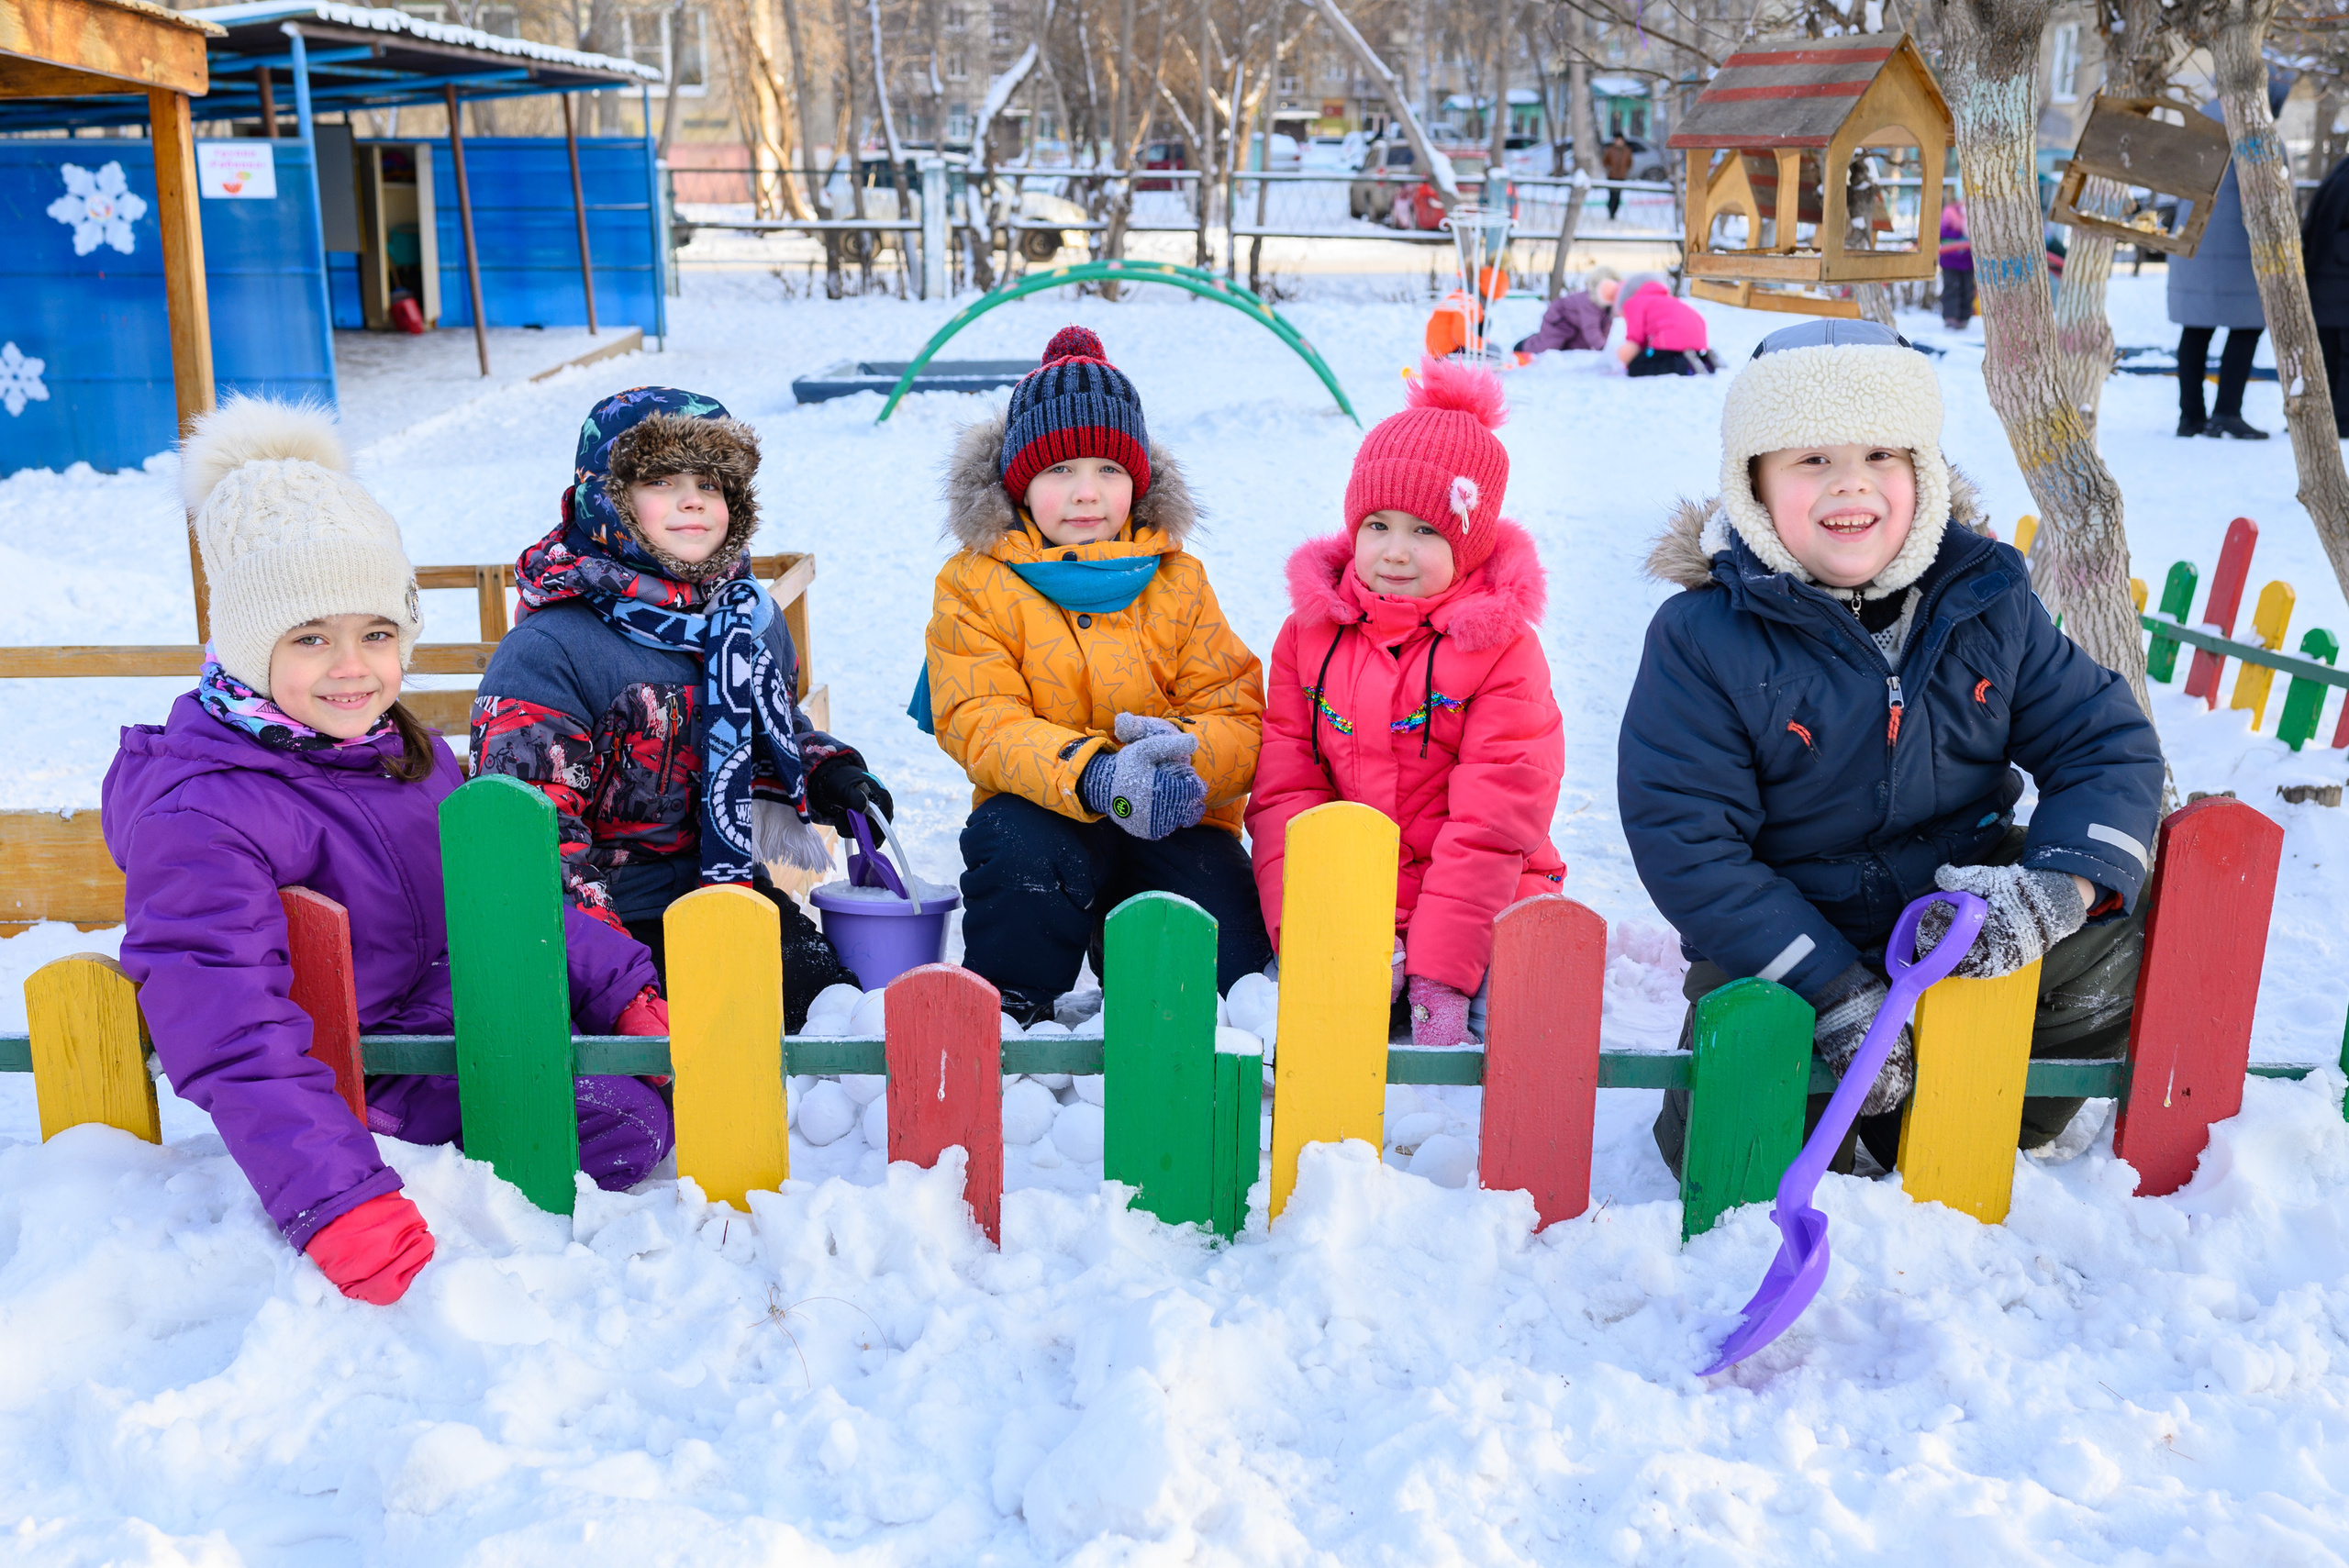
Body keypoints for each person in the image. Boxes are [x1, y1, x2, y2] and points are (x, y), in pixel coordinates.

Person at [105, 398, 673, 1307]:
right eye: (309, 637)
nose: (352, 666)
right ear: (248, 648)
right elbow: (229, 1023)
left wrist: (619, 986)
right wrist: (333, 1200)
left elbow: (493, 904)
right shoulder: (204, 811)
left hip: (451, 1019)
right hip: (361, 1078)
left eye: (376, 633)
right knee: (625, 1118)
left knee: (647, 1084)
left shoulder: (402, 753)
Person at [1620, 320, 2165, 1177]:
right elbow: (1686, 838)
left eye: (1882, 454)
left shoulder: (1986, 597)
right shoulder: (1703, 637)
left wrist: (2058, 890)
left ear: (1923, 471)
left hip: (1958, 921)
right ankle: (1813, 1108)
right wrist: (1830, 985)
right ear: (1754, 484)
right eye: (1810, 460)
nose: (1852, 486)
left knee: (2130, 937)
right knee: (1734, 1148)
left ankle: (1973, 1113)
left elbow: (2103, 741)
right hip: (1788, 933)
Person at [471, 387, 880, 1033]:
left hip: (728, 888)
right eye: (661, 479)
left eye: (711, 483)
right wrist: (617, 978)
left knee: (829, 1016)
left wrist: (825, 769)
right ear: (607, 498)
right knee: (702, 1061)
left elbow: (774, 730)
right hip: (604, 925)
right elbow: (536, 842)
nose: (693, 499)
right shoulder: (551, 651)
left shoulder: (748, 618)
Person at [926, 327, 1272, 1025]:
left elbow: (1236, 708)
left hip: (1171, 818)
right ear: (1021, 482)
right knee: (1015, 852)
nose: (1087, 493)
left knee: (1230, 959)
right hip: (1047, 809)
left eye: (1109, 470)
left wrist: (1183, 760)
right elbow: (979, 717)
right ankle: (1014, 1014)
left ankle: (1173, 1010)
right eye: (1059, 471)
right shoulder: (976, 583)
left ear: (1138, 479)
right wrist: (1096, 775)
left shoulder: (1178, 579)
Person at [1247, 358, 1565, 1047]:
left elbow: (1493, 819)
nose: (1394, 552)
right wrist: (1322, 928)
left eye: (1426, 532)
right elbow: (1284, 795)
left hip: (1484, 896)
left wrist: (1440, 968)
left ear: (1470, 545)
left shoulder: (1503, 652)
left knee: (1508, 1032)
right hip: (1349, 891)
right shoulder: (1309, 637)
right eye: (1377, 525)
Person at [2170, 81, 2290, 439]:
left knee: (2195, 329)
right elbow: (2274, 196)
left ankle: (2190, 417)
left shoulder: (2194, 124)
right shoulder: (2255, 130)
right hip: (2240, 250)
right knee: (2247, 326)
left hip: (2191, 242)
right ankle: (2227, 412)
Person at [2303, 150, 2349, 437]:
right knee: (2338, 355)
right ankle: (2340, 419)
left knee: (2329, 355)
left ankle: (2327, 417)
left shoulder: (2340, 171)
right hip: (2339, 281)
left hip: (2326, 278)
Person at [1616, 272, 1716, 376]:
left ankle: (1685, 365)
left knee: (1637, 368)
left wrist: (1630, 361)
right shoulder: (1667, 298)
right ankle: (1706, 360)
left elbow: (1636, 338)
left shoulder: (1633, 303)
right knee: (1673, 355)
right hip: (1697, 340)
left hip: (1671, 340)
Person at [1513, 266, 1620, 354]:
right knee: (1547, 347)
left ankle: (1542, 338)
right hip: (1559, 319)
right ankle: (1525, 345)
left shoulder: (1606, 306)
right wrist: (1603, 348)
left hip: (1576, 326)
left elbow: (1605, 326)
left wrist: (1604, 346)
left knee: (1576, 349)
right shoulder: (1589, 301)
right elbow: (1591, 329)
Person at [1938, 198, 1974, 328]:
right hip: (1950, 260)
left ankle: (1964, 318)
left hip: (1968, 260)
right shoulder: (1949, 212)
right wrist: (1959, 234)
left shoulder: (1974, 212)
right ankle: (1950, 317)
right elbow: (1941, 232)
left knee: (1967, 289)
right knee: (1951, 288)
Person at [1600, 132, 1635, 220]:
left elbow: (1629, 163)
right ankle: (1610, 211)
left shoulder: (1627, 151)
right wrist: (1609, 169)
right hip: (1612, 176)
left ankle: (1614, 212)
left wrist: (1625, 170)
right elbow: (1605, 161)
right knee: (1612, 195)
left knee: (1618, 196)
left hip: (1621, 177)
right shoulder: (1610, 150)